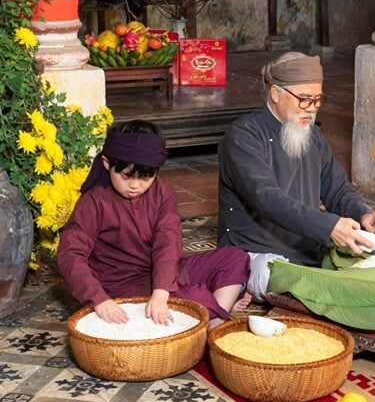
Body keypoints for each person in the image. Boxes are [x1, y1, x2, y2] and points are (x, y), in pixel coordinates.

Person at [218, 51, 375, 301]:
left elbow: (336, 188)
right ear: (276, 93)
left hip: (307, 244)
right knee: (315, 287)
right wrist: (329, 227)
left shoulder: (311, 134)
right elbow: (267, 199)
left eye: (317, 100)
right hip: (256, 250)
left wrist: (363, 213)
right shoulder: (243, 136)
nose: (311, 109)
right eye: (304, 99)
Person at [57, 120, 251, 330]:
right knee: (197, 297)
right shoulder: (94, 201)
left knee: (235, 256)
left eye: (145, 178)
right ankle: (217, 311)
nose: (135, 185)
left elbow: (168, 241)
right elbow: (70, 255)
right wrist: (99, 299)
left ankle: (215, 320)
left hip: (167, 271)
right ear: (106, 163)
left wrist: (161, 291)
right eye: (125, 176)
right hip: (123, 285)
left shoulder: (162, 191)